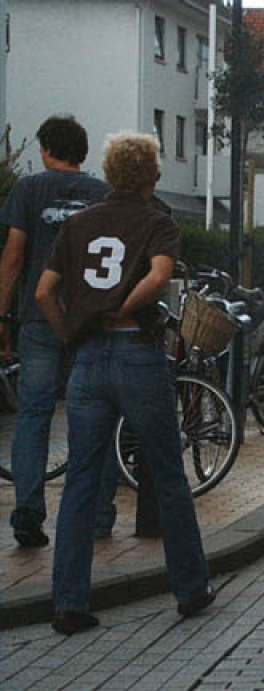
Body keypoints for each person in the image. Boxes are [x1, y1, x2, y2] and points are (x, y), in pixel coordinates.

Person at [34, 131, 215, 635]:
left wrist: (71, 329)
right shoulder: (157, 223)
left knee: (80, 481)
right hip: (137, 351)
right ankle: (191, 587)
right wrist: (125, 306)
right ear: (150, 176)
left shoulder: (77, 225)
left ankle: (69, 602)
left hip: (88, 358)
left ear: (111, 174)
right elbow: (159, 277)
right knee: (166, 473)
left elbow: (45, 290)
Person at [0, 114, 117, 548]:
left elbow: (13, 259)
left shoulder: (28, 191)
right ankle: (99, 514)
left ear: (47, 150)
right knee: (94, 416)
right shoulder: (105, 195)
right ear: (81, 153)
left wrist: (1, 319)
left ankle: (29, 512)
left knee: (33, 416)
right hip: (92, 321)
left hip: (38, 317)